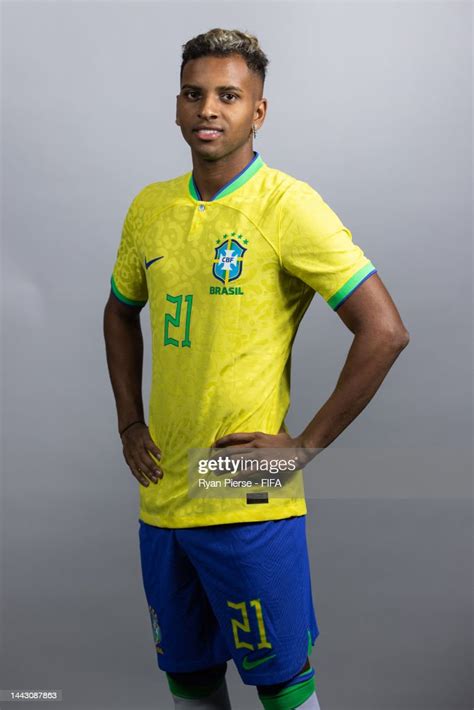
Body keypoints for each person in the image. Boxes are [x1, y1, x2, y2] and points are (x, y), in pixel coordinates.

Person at [103, 27, 410, 710]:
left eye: (228, 95)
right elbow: (120, 312)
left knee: (281, 686)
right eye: (195, 94)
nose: (208, 108)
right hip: (164, 485)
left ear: (257, 112)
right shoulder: (150, 208)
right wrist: (129, 419)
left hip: (237, 478)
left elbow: (384, 331)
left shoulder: (286, 204)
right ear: (177, 107)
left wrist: (302, 447)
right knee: (189, 678)